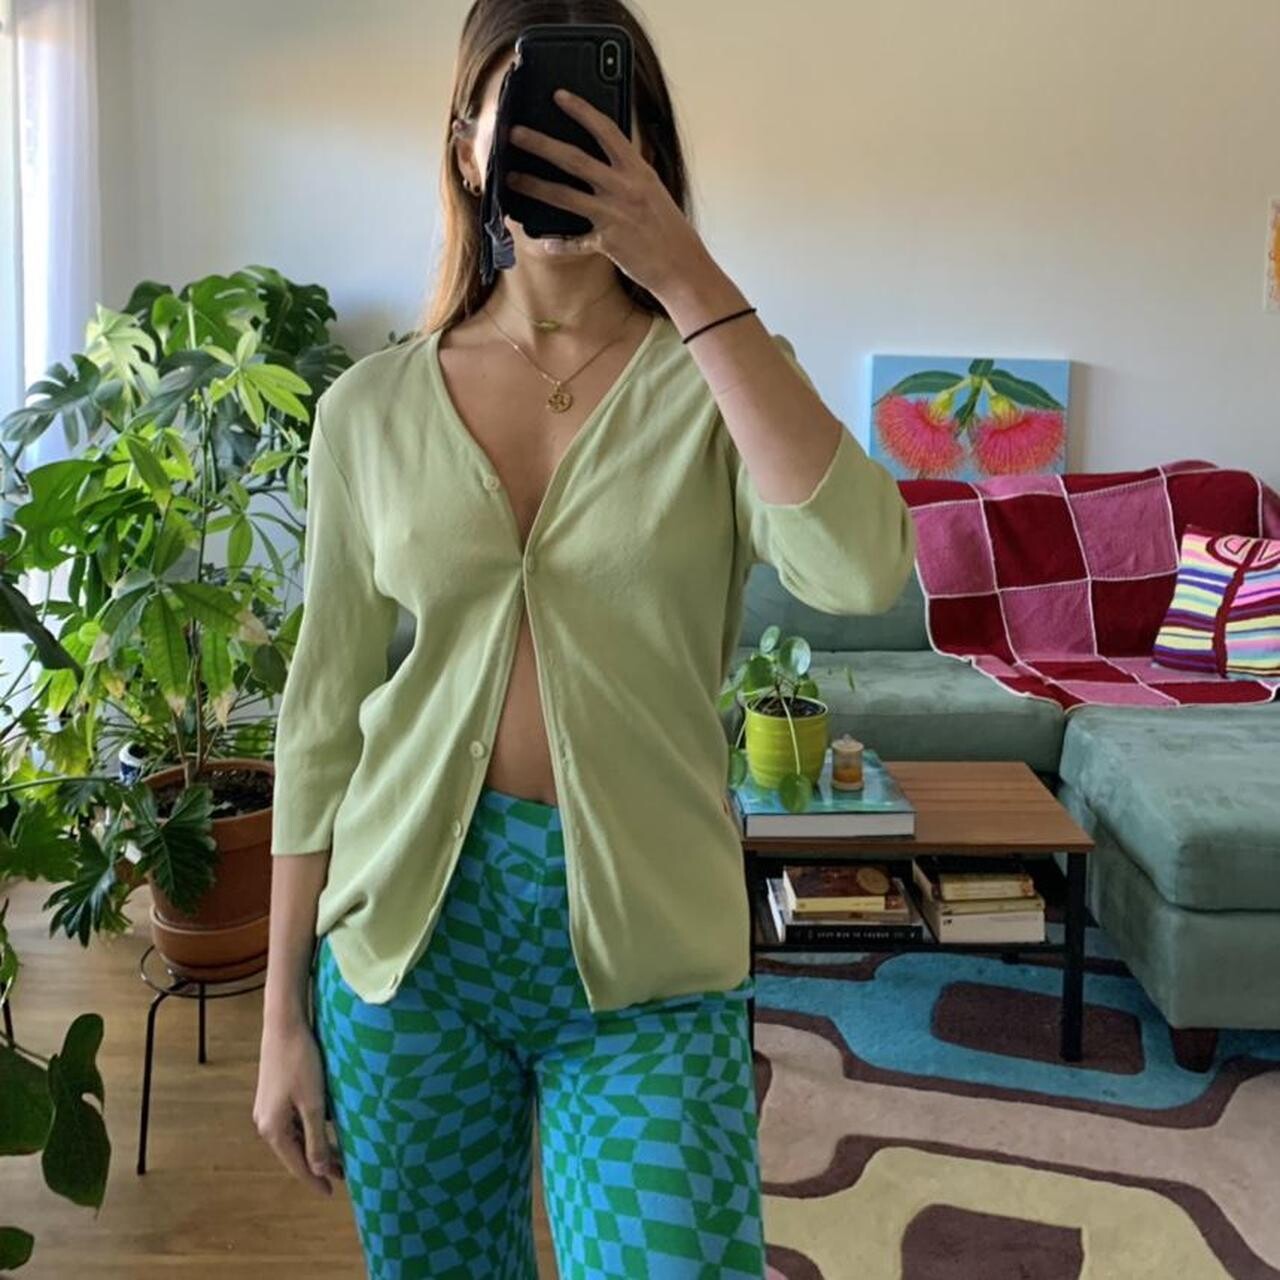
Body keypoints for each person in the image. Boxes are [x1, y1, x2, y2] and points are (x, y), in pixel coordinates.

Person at [252, 1, 916, 1276]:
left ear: (644, 150)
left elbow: (860, 566)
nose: (560, 143)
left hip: (650, 954)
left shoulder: (718, 379)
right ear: (465, 148)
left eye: (597, 116)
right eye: (522, 111)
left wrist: (688, 275)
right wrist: (281, 1008)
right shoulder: (369, 408)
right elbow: (320, 715)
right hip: (409, 952)